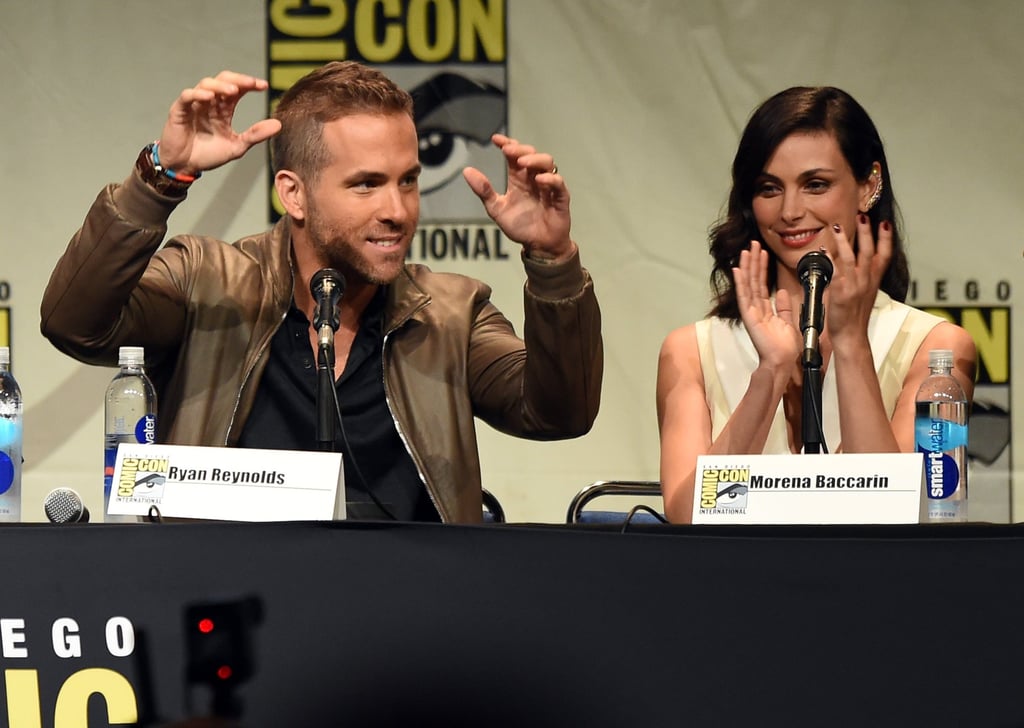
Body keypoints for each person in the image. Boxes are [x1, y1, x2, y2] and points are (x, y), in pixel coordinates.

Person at [40, 61, 603, 523]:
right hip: (223, 613)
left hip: (410, 619)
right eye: (366, 184)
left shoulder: (453, 312)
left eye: (408, 180)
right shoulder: (207, 280)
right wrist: (158, 179)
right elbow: (76, 324)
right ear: (295, 194)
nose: (397, 210)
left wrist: (552, 261)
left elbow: (559, 413)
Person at [656, 86, 976, 524]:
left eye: (816, 185)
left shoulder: (937, 349)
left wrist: (850, 344)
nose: (790, 211)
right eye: (769, 188)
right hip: (733, 586)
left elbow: (905, 520)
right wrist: (768, 374)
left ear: (869, 186)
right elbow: (686, 515)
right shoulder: (691, 350)